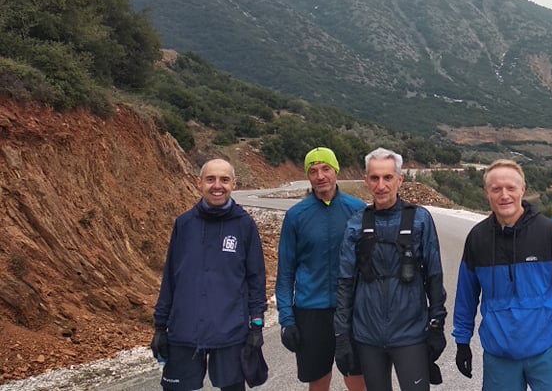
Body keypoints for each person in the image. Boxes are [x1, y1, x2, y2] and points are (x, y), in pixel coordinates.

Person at [453, 159, 552, 391]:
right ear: (486, 193)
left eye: (511, 188)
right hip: (499, 356)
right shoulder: (477, 238)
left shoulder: (548, 232)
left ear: (523, 190)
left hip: (547, 351)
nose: (504, 195)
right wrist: (462, 341)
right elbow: (466, 296)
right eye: (496, 189)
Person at [334, 147, 447, 391]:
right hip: (367, 334)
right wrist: (341, 334)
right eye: (374, 178)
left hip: (410, 333)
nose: (381, 185)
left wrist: (437, 323)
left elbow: (434, 276)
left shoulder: (420, 219)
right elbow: (345, 282)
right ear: (366, 180)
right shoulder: (356, 224)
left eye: (388, 177)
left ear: (400, 179)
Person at [151, 158, 267, 391]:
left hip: (230, 331)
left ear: (233, 184)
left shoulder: (245, 225)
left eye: (224, 180)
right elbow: (171, 278)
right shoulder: (184, 224)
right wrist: (160, 326)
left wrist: (257, 324)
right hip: (184, 329)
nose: (217, 186)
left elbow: (256, 279)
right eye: (210, 179)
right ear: (199, 183)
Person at [276, 147, 367, 391]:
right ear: (308, 175)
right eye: (313, 171)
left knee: (357, 379)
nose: (320, 176)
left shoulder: (358, 210)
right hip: (311, 312)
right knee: (318, 381)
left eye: (326, 168)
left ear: (336, 170)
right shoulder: (296, 215)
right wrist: (286, 319)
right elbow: (285, 273)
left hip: (350, 310)